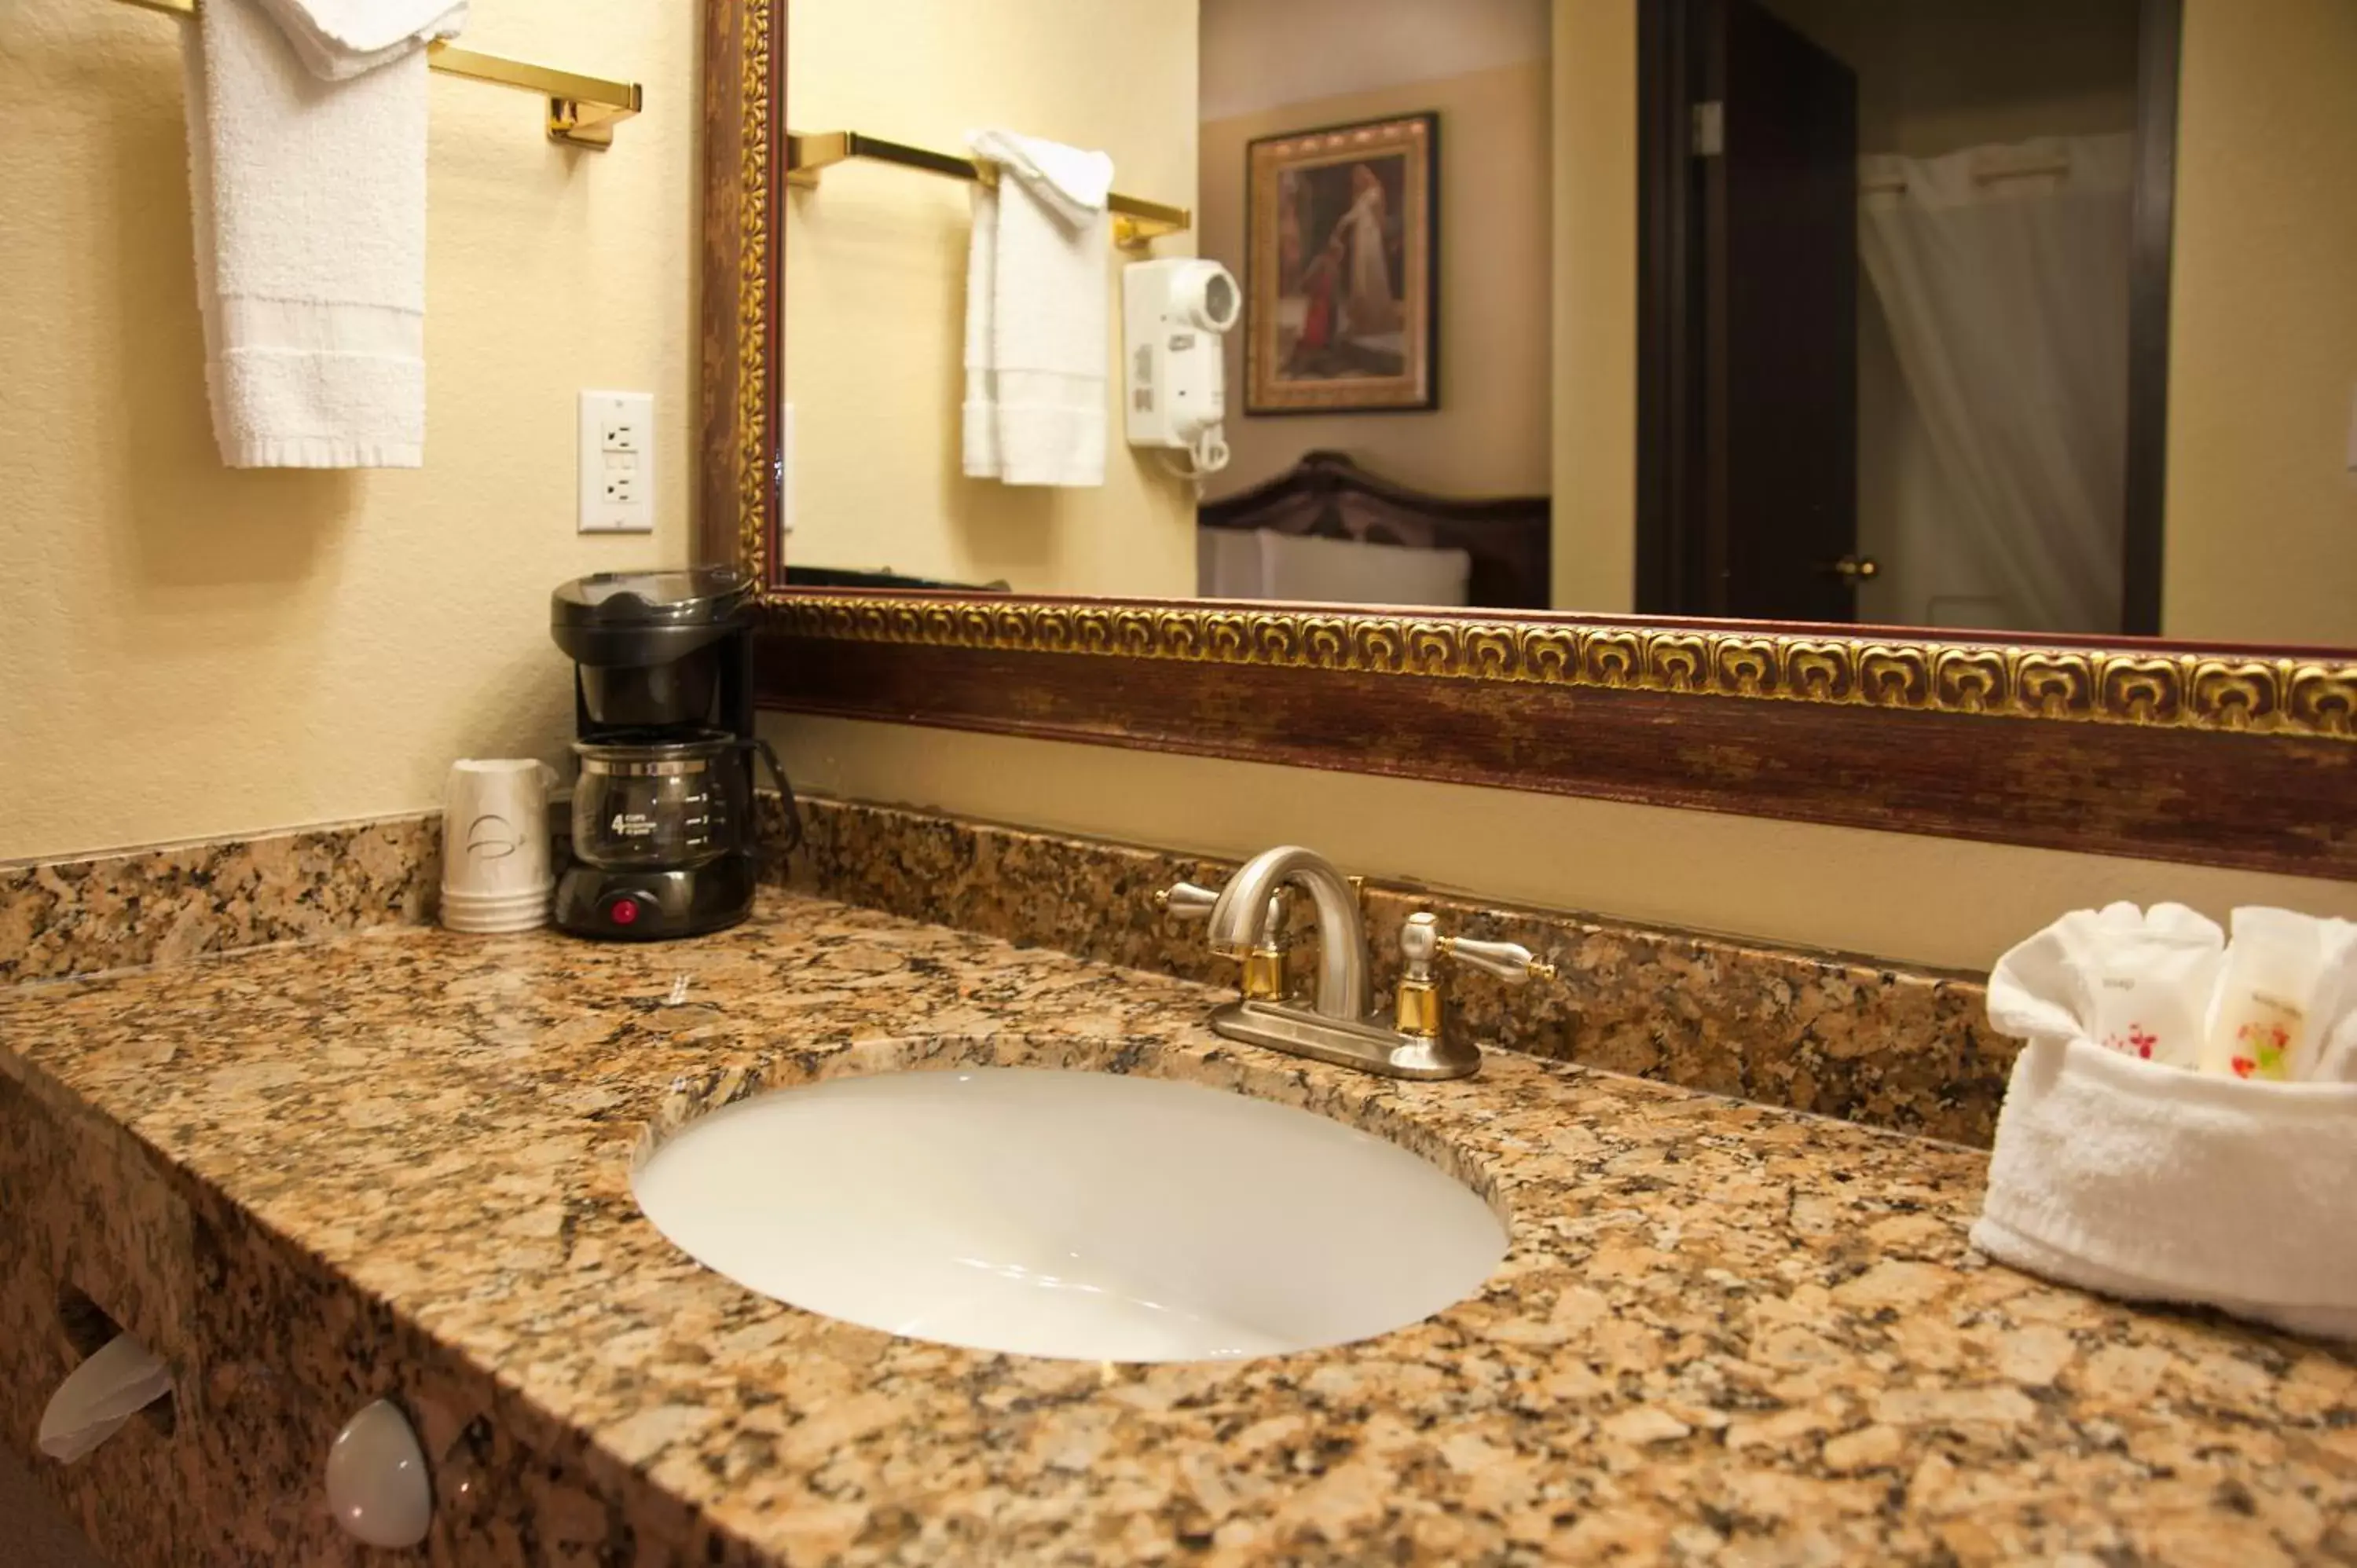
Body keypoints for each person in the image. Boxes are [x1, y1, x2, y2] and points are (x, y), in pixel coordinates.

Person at [1328, 163, 1398, 338]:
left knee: (1372, 271)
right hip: (1361, 236)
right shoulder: (1360, 196)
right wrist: (1341, 225)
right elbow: (1354, 214)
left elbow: (1370, 214)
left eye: (1359, 177)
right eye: (1355, 179)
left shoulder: (1375, 191)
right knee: (1360, 274)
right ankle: (1362, 318)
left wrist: (1344, 222)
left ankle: (1376, 318)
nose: (1357, 181)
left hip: (1370, 235)